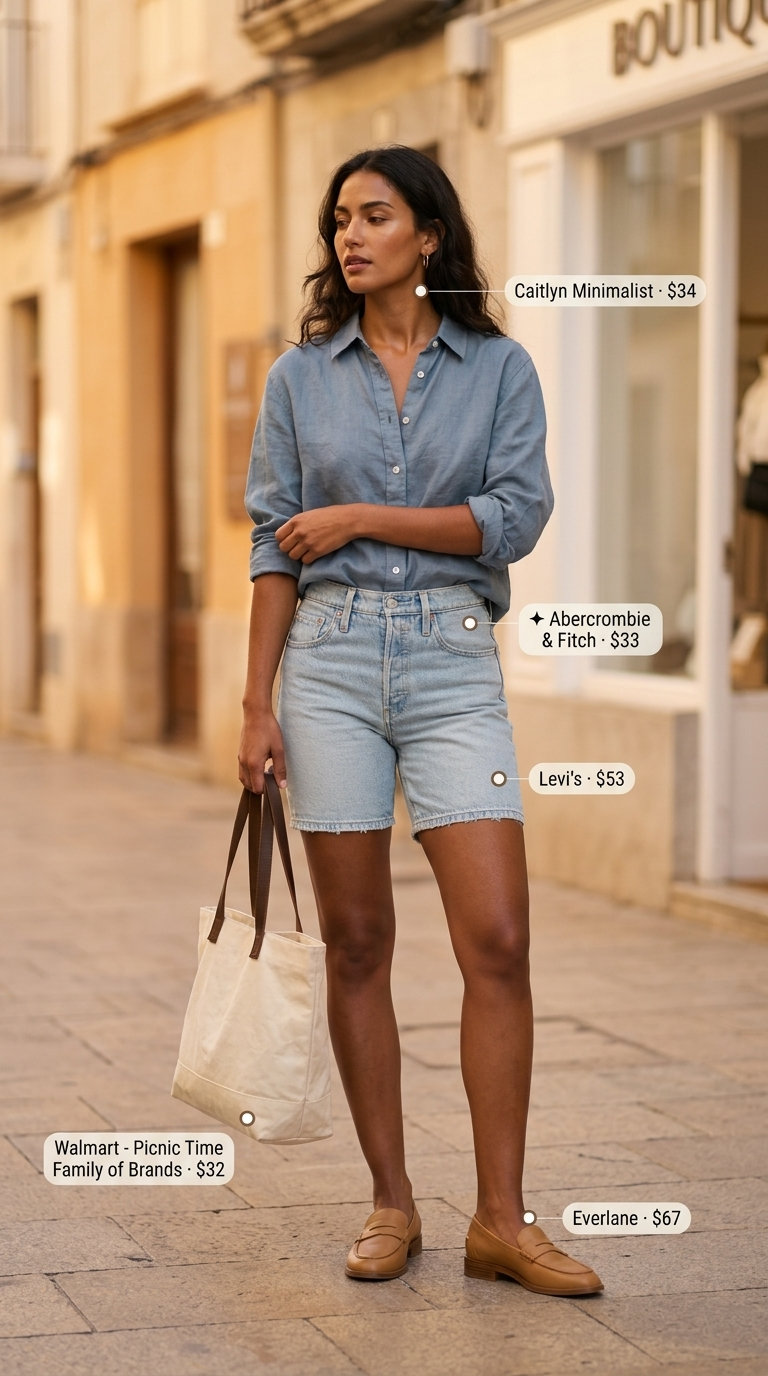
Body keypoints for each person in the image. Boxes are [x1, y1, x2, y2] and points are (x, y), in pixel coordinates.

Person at [239, 146, 602, 1297]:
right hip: (330, 664)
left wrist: (357, 515)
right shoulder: (300, 378)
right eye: (339, 218)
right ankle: (391, 1199)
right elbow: (271, 544)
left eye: (376, 215)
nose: (350, 236)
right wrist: (256, 704)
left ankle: (503, 1217)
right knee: (357, 942)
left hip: (453, 660)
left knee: (496, 936)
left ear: (428, 237)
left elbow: (514, 515)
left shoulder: (500, 369)